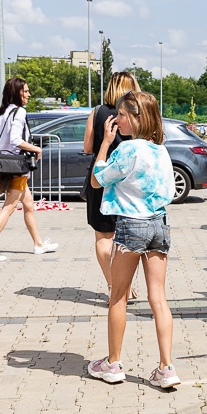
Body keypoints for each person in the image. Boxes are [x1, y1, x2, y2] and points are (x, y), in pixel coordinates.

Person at [87, 91, 180, 388]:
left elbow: (96, 180)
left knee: (118, 295)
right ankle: (166, 367)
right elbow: (168, 191)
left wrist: (104, 143)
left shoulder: (127, 149)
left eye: (122, 115)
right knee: (159, 298)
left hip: (130, 224)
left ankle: (113, 364)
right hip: (158, 223)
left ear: (138, 117)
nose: (116, 120)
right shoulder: (161, 150)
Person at [0, 78, 58, 262]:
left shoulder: (4, 112)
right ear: (16, 93)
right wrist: (37, 149)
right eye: (25, 91)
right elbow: (15, 140)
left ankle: (38, 244)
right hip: (18, 167)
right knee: (9, 207)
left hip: (6, 165)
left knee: (28, 205)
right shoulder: (19, 112)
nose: (28, 94)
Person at [83, 72, 140, 296]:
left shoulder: (97, 111)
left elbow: (88, 147)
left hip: (101, 176)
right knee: (125, 236)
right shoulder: (136, 112)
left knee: (103, 236)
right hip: (129, 179)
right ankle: (124, 284)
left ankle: (114, 286)